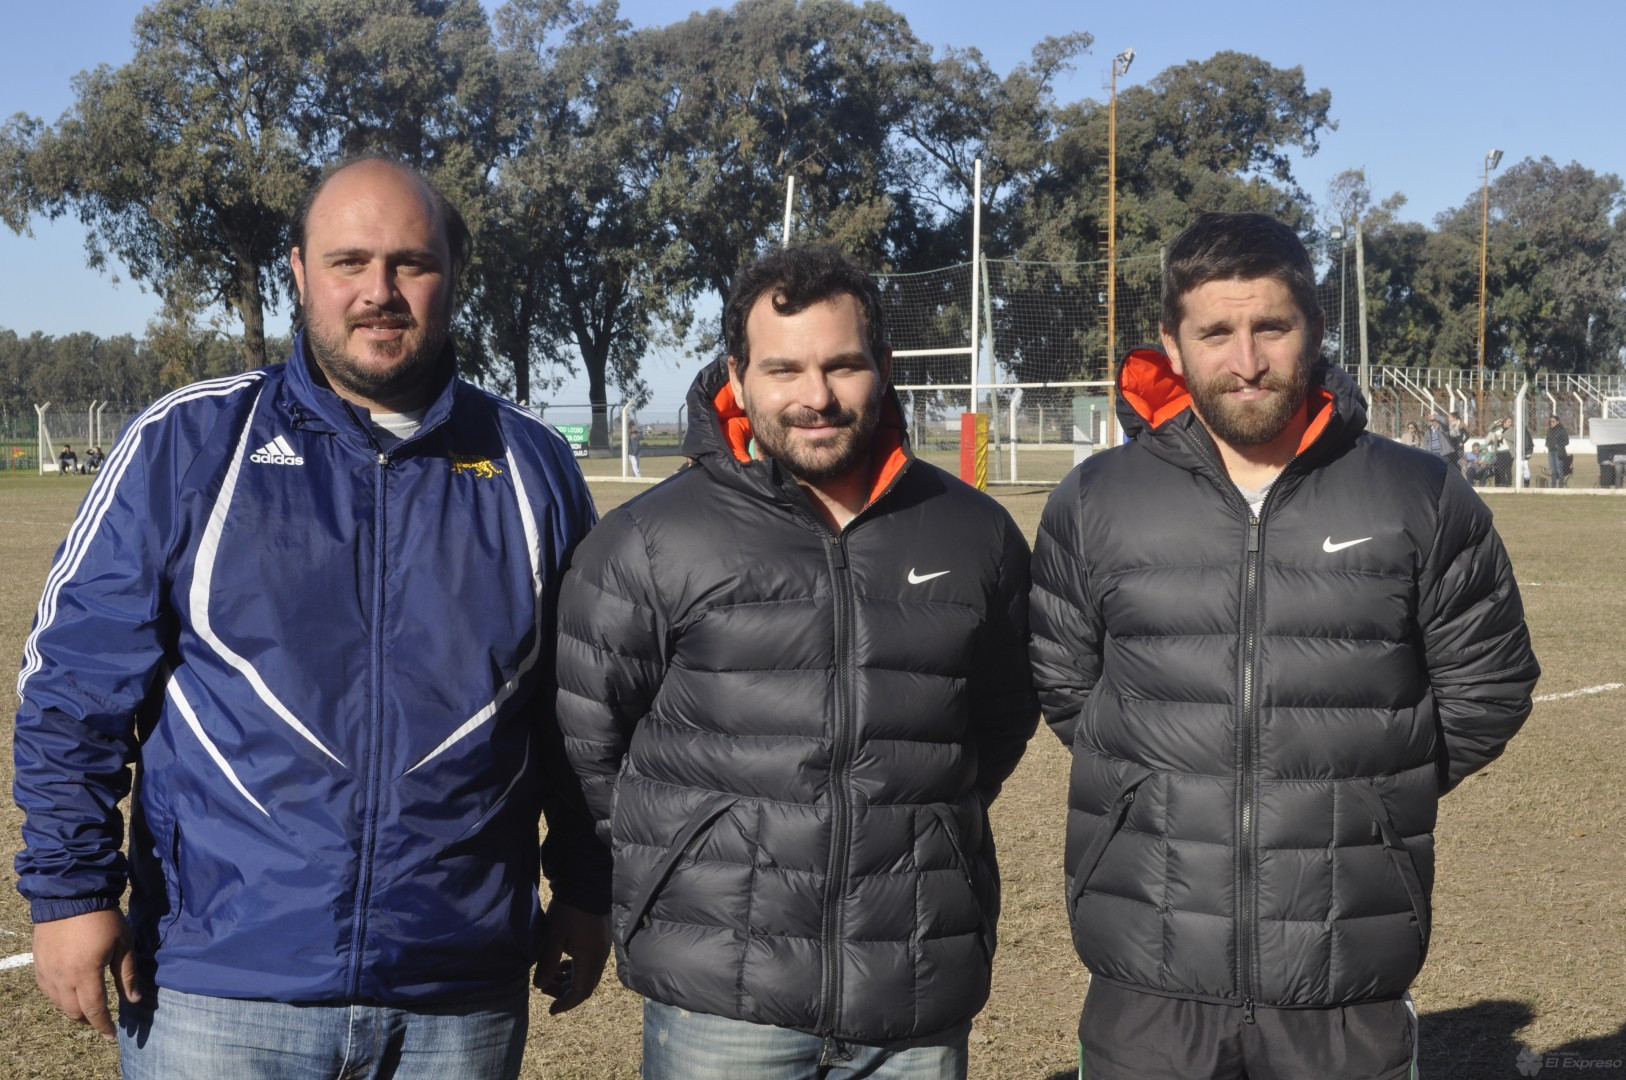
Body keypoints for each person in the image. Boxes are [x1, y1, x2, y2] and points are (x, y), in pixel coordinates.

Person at [14, 155, 611, 1080]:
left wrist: (583, 886)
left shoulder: (531, 464)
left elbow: (582, 713)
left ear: (454, 272)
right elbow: (73, 688)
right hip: (218, 991)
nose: (380, 292)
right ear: (298, 271)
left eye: (412, 263)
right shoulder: (189, 442)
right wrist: (70, 893)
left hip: (456, 997)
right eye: (348, 262)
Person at [1029, 211, 1540, 1080]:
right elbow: (1065, 680)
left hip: (1346, 975)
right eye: (1215, 334)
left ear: (1314, 327)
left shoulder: (1418, 493)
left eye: (1272, 326)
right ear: (1172, 343)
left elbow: (1488, 683)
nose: (1247, 360)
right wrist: (1163, 783)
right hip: (1147, 971)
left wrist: (1367, 793)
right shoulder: (1096, 499)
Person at [555, 244, 1038, 1079]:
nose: (816, 397)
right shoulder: (649, 540)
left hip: (910, 984)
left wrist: (915, 824)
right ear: (738, 378)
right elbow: (592, 742)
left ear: (885, 368)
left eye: (843, 365)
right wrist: (697, 851)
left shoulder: (974, 533)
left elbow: (997, 719)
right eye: (784, 369)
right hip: (718, 996)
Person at [1546, 415, 1571, 487]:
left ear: (1557, 422)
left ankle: (1560, 486)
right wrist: (1547, 444)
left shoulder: (1562, 430)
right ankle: (1553, 486)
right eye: (1550, 421)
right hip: (1551, 451)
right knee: (1553, 470)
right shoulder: (1549, 430)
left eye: (1553, 421)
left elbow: (1566, 441)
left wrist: (1558, 445)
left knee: (1559, 470)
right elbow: (1547, 439)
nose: (1551, 423)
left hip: (1559, 452)